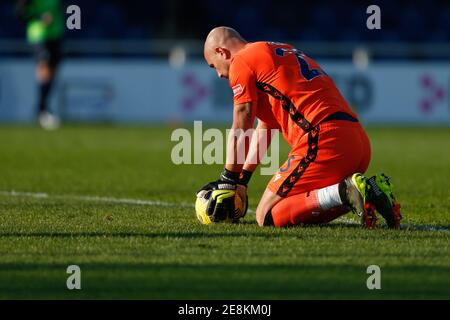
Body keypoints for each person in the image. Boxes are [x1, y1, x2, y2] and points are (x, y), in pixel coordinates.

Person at [199, 26, 401, 228]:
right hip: (357, 142)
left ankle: (344, 191)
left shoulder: (241, 60)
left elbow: (242, 120)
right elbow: (266, 126)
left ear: (221, 52)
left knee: (266, 215)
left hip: (323, 139)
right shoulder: (279, 49)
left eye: (213, 66)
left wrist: (227, 179)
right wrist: (241, 180)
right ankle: (370, 191)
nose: (218, 74)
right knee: (294, 206)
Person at [16, 0, 64, 130]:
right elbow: (20, 12)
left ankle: (43, 108)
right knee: (43, 65)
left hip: (55, 33)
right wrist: (39, 17)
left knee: (53, 70)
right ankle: (42, 110)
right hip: (38, 33)